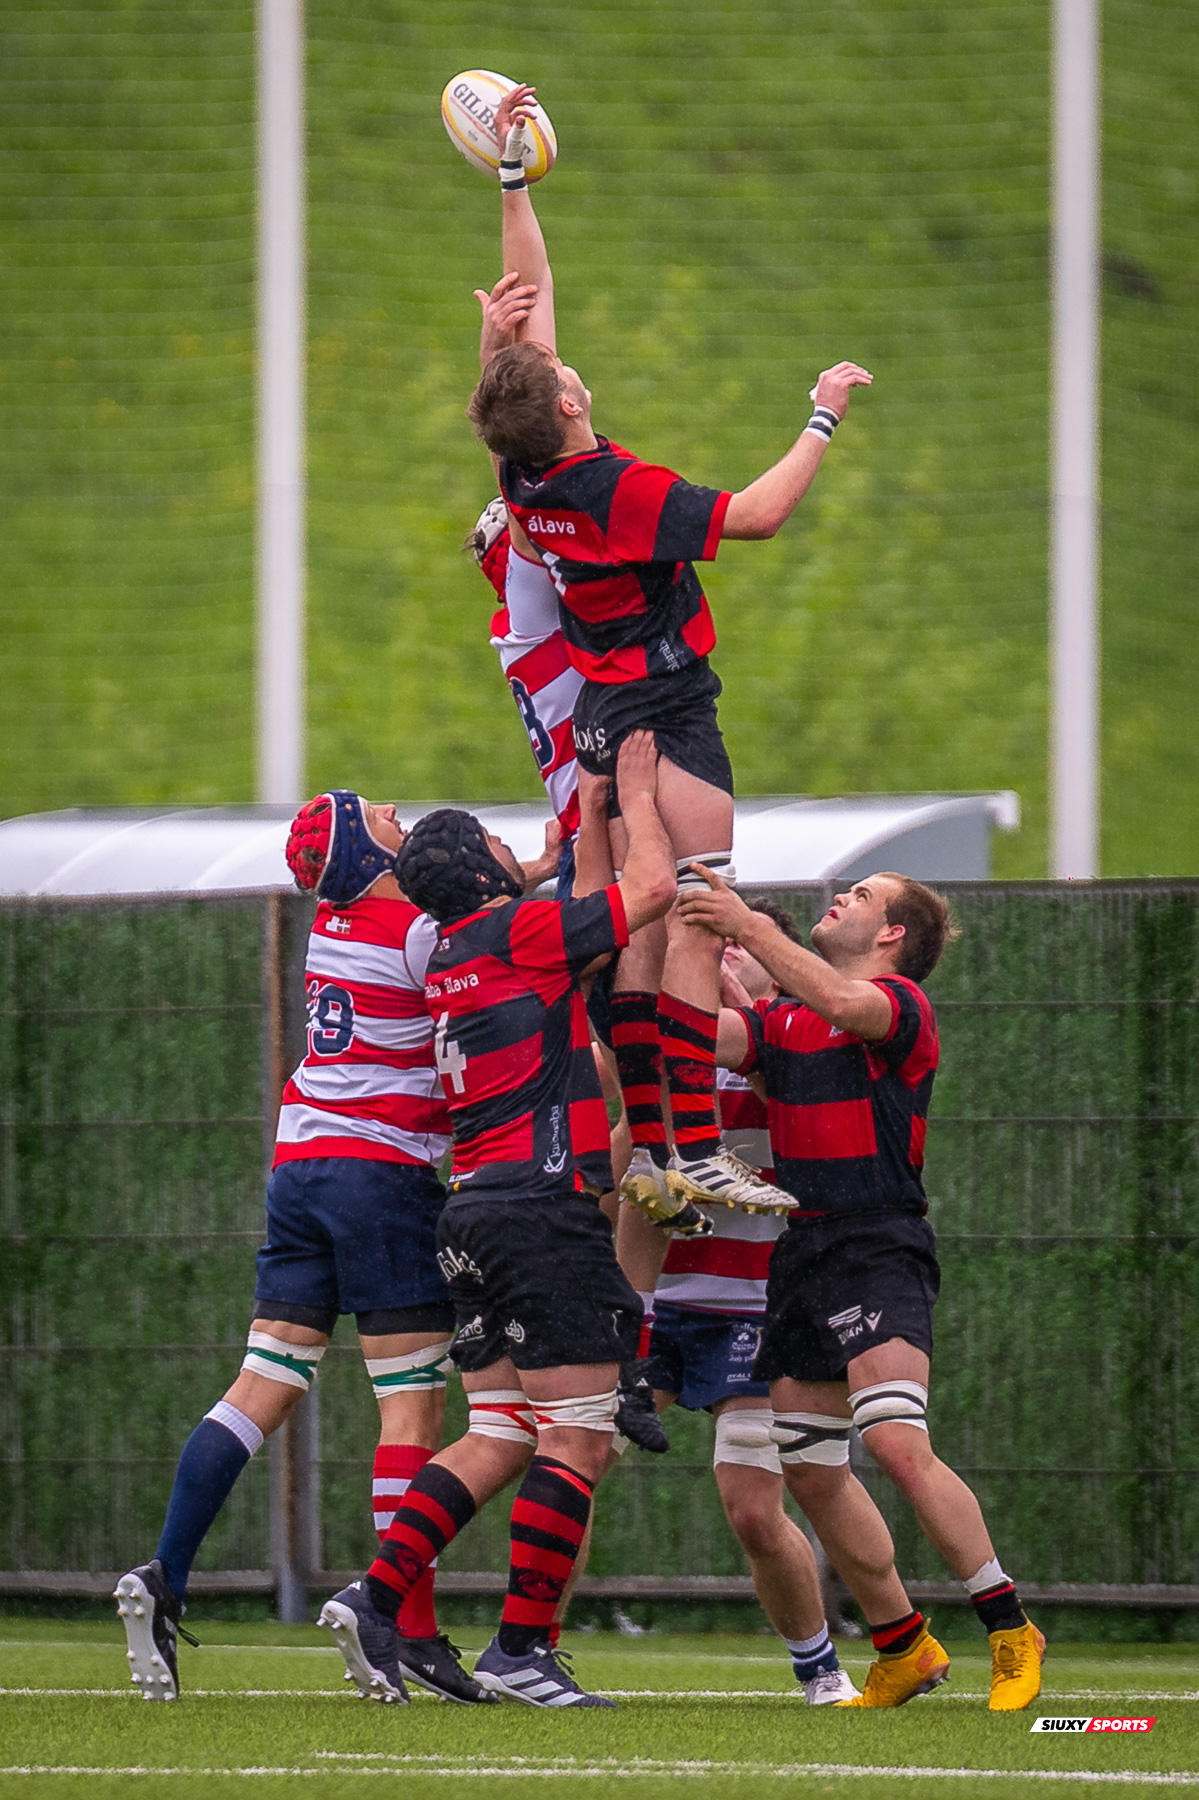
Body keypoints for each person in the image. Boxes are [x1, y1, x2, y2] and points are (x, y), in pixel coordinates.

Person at [468, 83, 873, 1223]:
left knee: (634, 942)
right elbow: (753, 516)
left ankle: (650, 1150)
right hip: (666, 714)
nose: (564, 360)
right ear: (568, 400)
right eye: (555, 366)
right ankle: (692, 1150)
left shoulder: (525, 471)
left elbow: (528, 320)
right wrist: (822, 415)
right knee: (698, 914)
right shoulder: (615, 492)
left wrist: (511, 182)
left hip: (604, 717)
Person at [115, 791, 508, 1705]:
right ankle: (399, 1626)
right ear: (365, 853)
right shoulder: (417, 932)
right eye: (377, 813)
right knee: (409, 1410)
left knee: (262, 1385)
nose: (397, 811)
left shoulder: (330, 923)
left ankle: (166, 1573)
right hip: (382, 1176)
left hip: (301, 1170)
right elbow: (489, 947)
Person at [319, 732, 677, 1710]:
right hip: (535, 1214)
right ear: (480, 870)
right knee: (579, 1438)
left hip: (470, 1215)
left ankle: (375, 1591)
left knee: (501, 1430)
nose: (503, 848)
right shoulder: (516, 931)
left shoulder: (455, 950)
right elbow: (644, 893)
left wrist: (582, 809)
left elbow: (554, 880)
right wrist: (638, 798)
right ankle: (521, 1648)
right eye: (488, 839)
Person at [678, 868, 1046, 1712]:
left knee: (892, 1442)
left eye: (862, 896)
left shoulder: (899, 1007)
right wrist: (671, 938)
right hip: (802, 1251)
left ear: (890, 937)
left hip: (876, 1240)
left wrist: (743, 924)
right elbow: (700, 1035)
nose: (838, 896)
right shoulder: (785, 1016)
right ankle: (903, 1646)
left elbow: (845, 1009)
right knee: (806, 1466)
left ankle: (1008, 1624)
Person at [641, 901, 858, 1703]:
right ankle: (528, 1649)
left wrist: (732, 1005)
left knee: (752, 1512)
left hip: (750, 1308)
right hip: (658, 1304)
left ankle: (819, 1667)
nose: (722, 956)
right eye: (710, 946)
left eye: (738, 943)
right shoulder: (662, 1033)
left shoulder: (801, 1036)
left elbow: (781, 1093)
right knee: (574, 1458)